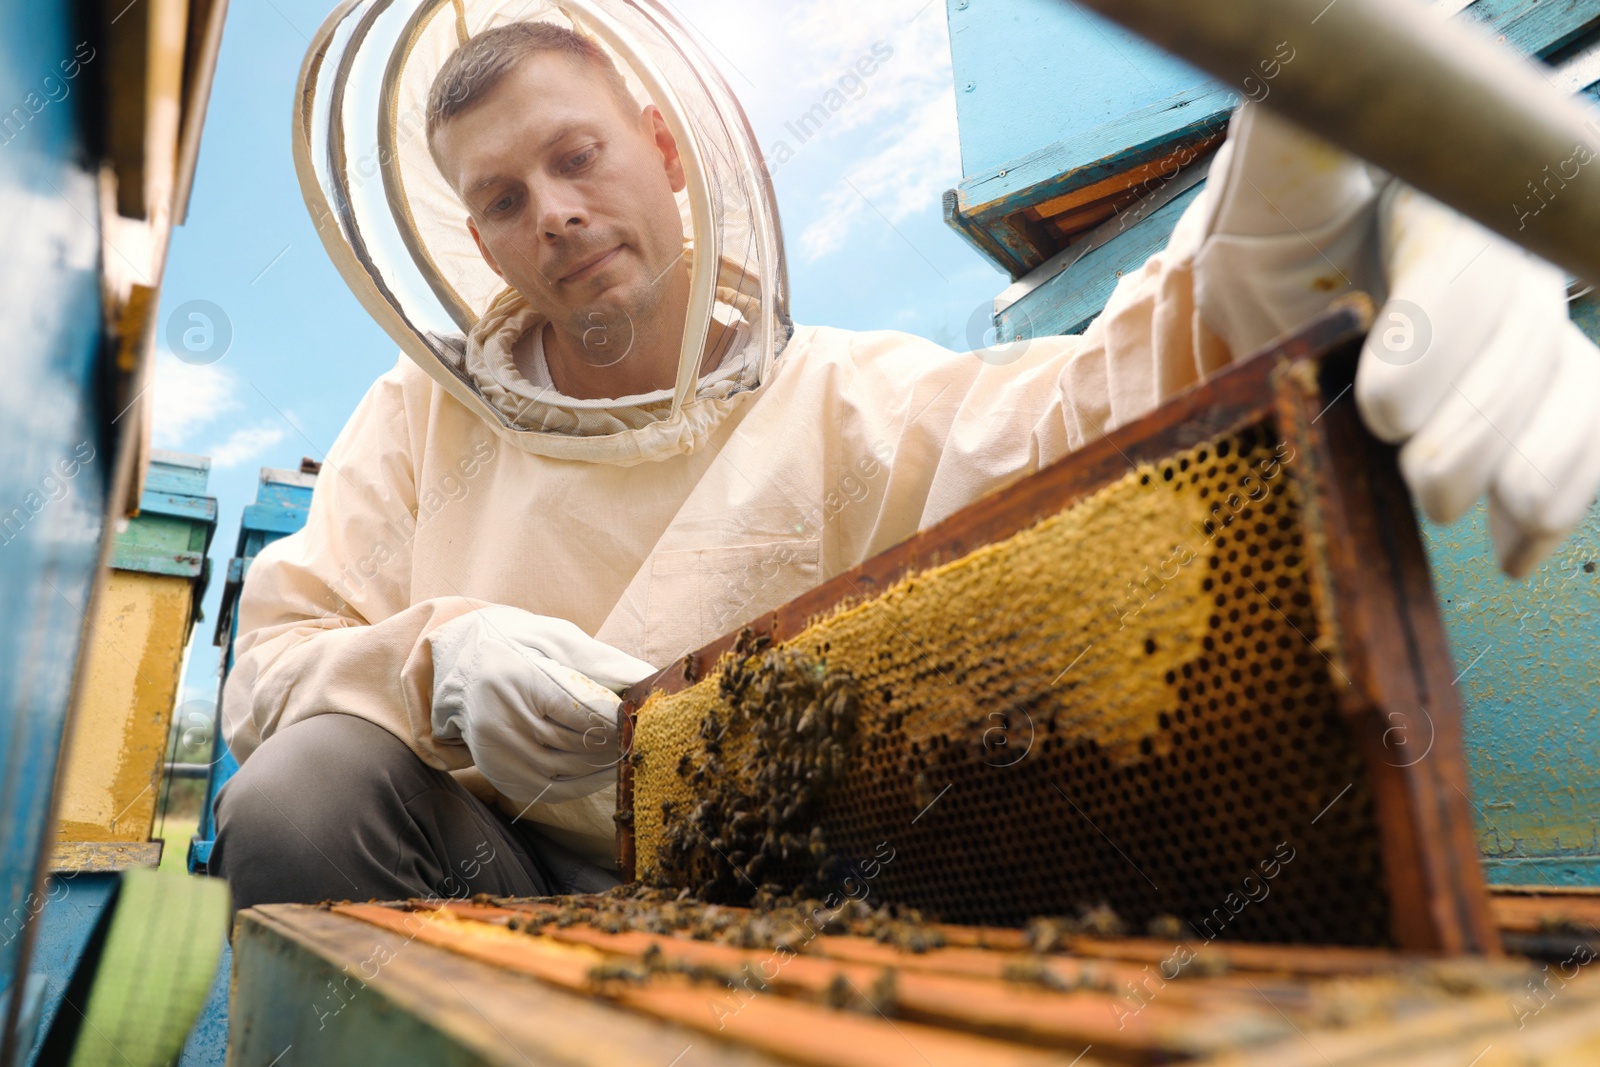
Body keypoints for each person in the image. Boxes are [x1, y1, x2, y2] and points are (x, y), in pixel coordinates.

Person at [211, 10, 1600, 911]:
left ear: (663, 146)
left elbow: (1096, 404)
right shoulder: (419, 421)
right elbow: (267, 674)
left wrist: (1306, 193)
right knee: (303, 793)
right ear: (476, 238)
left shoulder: (843, 401)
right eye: (502, 201)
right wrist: (430, 665)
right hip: (495, 884)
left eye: (577, 158)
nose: (555, 217)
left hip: (757, 915)